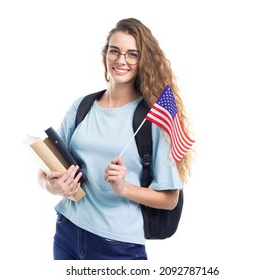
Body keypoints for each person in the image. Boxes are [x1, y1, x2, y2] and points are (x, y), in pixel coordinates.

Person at [37, 18, 194, 260]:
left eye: (132, 54)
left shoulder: (153, 117)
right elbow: (45, 169)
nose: (122, 60)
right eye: (115, 51)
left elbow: (170, 200)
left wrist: (124, 188)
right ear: (105, 55)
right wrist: (52, 185)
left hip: (117, 244)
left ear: (143, 61)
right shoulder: (82, 106)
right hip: (67, 231)